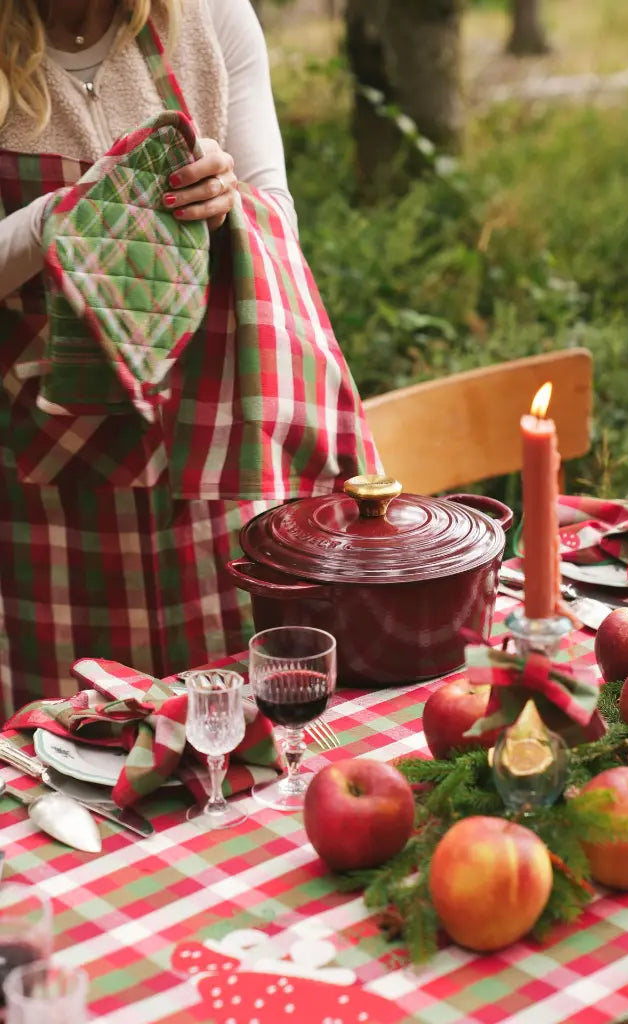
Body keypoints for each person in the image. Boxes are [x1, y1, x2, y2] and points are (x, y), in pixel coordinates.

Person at [0, 0, 378, 717]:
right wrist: (52, 221)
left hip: (204, 451)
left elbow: (277, 220)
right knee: (71, 737)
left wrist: (226, 195)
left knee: (228, 714)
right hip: (38, 465)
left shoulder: (210, 18)